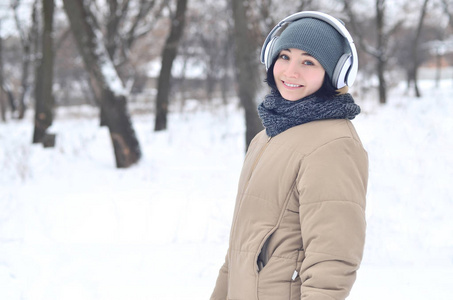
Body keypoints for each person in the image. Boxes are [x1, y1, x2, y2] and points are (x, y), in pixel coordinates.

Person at [210, 11, 368, 300]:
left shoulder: (333, 145)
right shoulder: (267, 137)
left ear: (335, 72)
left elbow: (333, 259)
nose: (290, 71)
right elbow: (240, 251)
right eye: (284, 56)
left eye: (308, 62)